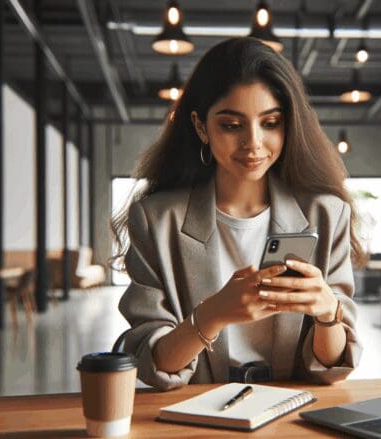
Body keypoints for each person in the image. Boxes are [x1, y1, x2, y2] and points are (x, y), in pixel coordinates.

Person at [110, 37, 365, 391]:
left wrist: (327, 314)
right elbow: (155, 364)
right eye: (232, 125)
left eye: (270, 123)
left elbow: (334, 366)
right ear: (201, 127)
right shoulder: (156, 220)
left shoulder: (326, 214)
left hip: (291, 408)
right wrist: (212, 314)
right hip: (196, 410)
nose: (253, 143)